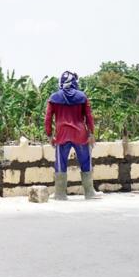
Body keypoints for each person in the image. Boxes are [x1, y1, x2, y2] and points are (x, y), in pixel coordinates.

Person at [45, 71, 102, 200]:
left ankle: (60, 194)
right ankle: (89, 193)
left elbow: (48, 118)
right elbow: (89, 117)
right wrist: (92, 133)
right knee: (86, 162)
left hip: (62, 135)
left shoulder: (54, 98)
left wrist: (49, 135)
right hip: (80, 135)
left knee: (61, 163)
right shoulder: (82, 96)